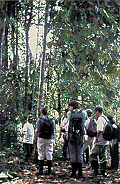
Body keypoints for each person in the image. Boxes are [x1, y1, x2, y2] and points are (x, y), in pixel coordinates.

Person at [67, 100, 87, 179]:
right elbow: (84, 121)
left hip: (72, 135)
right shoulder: (84, 113)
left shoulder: (70, 113)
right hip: (80, 135)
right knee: (79, 153)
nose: (69, 108)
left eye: (70, 106)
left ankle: (73, 173)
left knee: (72, 154)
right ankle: (80, 173)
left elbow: (69, 121)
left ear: (72, 107)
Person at [35, 107, 55, 175]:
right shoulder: (51, 120)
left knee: (41, 153)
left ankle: (40, 171)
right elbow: (53, 131)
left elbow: (37, 130)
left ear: (41, 112)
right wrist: (53, 138)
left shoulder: (40, 120)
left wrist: (35, 137)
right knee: (49, 153)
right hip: (49, 138)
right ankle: (49, 170)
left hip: (41, 138)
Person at [90, 105, 109, 177]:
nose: (95, 113)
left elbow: (99, 130)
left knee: (92, 155)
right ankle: (103, 172)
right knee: (103, 156)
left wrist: (96, 139)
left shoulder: (100, 119)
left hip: (100, 141)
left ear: (98, 112)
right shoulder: (106, 118)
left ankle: (95, 171)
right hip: (105, 141)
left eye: (95, 112)